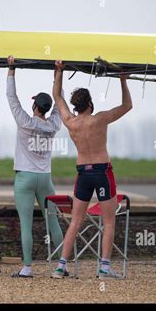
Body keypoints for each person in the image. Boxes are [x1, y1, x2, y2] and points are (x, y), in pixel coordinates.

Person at [51, 60, 133, 279]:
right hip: (102, 172)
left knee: (76, 221)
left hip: (83, 173)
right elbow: (127, 107)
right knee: (108, 221)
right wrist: (123, 81)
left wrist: (59, 71)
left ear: (76, 105)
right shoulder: (100, 119)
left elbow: (57, 97)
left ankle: (60, 268)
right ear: (89, 103)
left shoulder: (70, 121)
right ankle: (104, 268)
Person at [5, 55, 65, 278]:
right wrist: (58, 74)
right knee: (54, 222)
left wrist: (11, 70)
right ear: (46, 108)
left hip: (25, 178)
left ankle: (28, 268)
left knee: (25, 224)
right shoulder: (53, 125)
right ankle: (62, 265)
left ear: (34, 106)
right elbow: (59, 102)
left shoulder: (25, 121)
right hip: (45, 178)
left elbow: (12, 97)